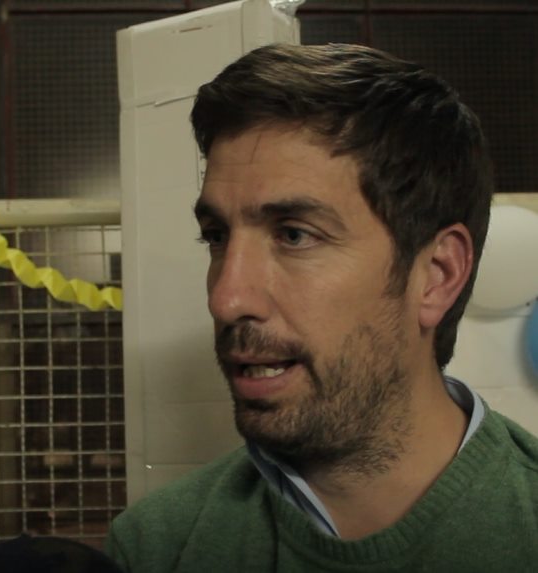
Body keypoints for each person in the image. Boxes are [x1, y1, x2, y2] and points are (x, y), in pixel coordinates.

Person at [106, 43, 538, 571]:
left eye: (294, 235)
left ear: (435, 276)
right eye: (217, 236)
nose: (226, 299)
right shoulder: (156, 548)